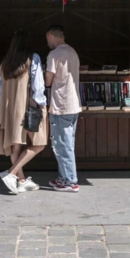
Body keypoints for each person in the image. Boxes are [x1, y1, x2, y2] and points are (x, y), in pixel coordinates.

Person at [0, 30, 47, 194]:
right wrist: (42, 104)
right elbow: (38, 86)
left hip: (9, 109)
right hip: (29, 107)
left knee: (15, 146)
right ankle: (11, 174)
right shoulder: (33, 59)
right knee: (39, 143)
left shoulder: (4, 64)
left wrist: (0, 109)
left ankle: (21, 180)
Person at [44, 25, 81, 192]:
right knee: (68, 143)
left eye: (47, 39)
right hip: (73, 104)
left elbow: (48, 80)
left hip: (61, 105)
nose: (47, 42)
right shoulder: (72, 52)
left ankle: (70, 180)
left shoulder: (54, 54)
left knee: (61, 144)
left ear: (51, 35)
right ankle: (64, 177)